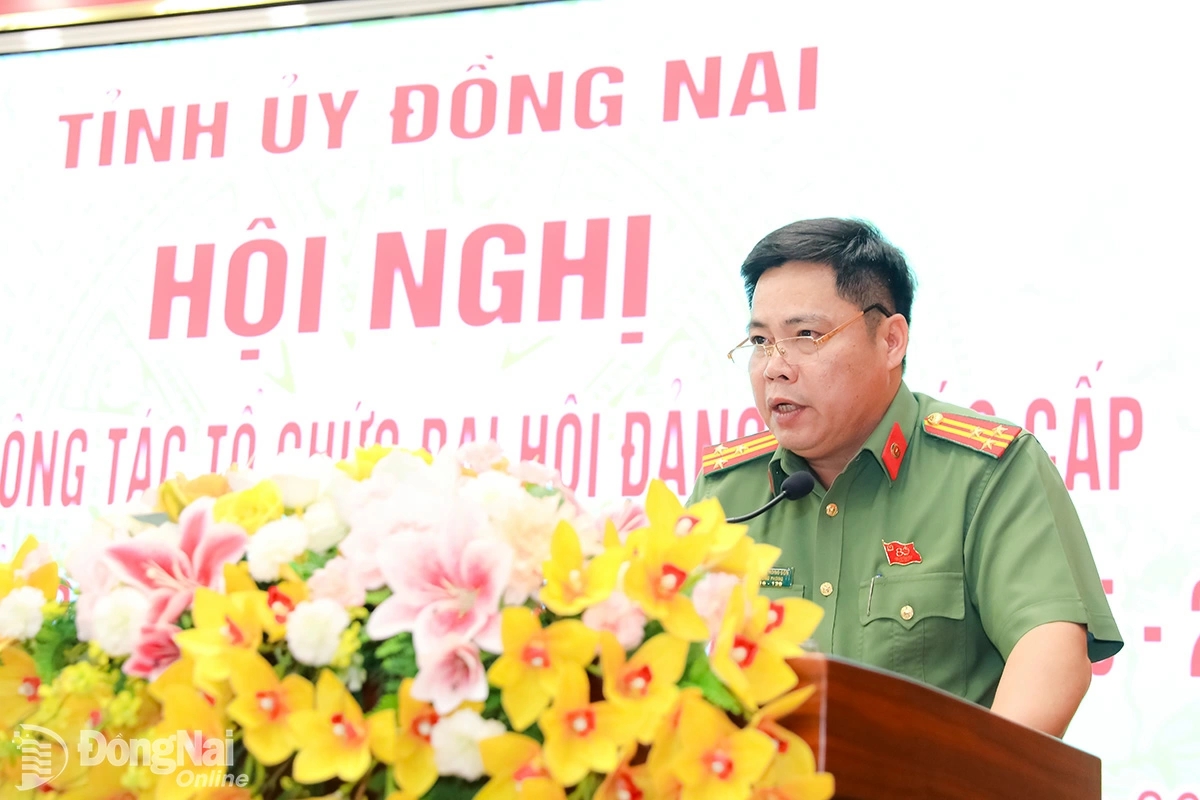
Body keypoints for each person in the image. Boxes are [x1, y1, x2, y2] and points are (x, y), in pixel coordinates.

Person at [687, 218, 1122, 738]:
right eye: (760, 341)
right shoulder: (726, 490)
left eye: (806, 335)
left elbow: (1049, 647)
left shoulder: (985, 471)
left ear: (891, 340)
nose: (774, 367)